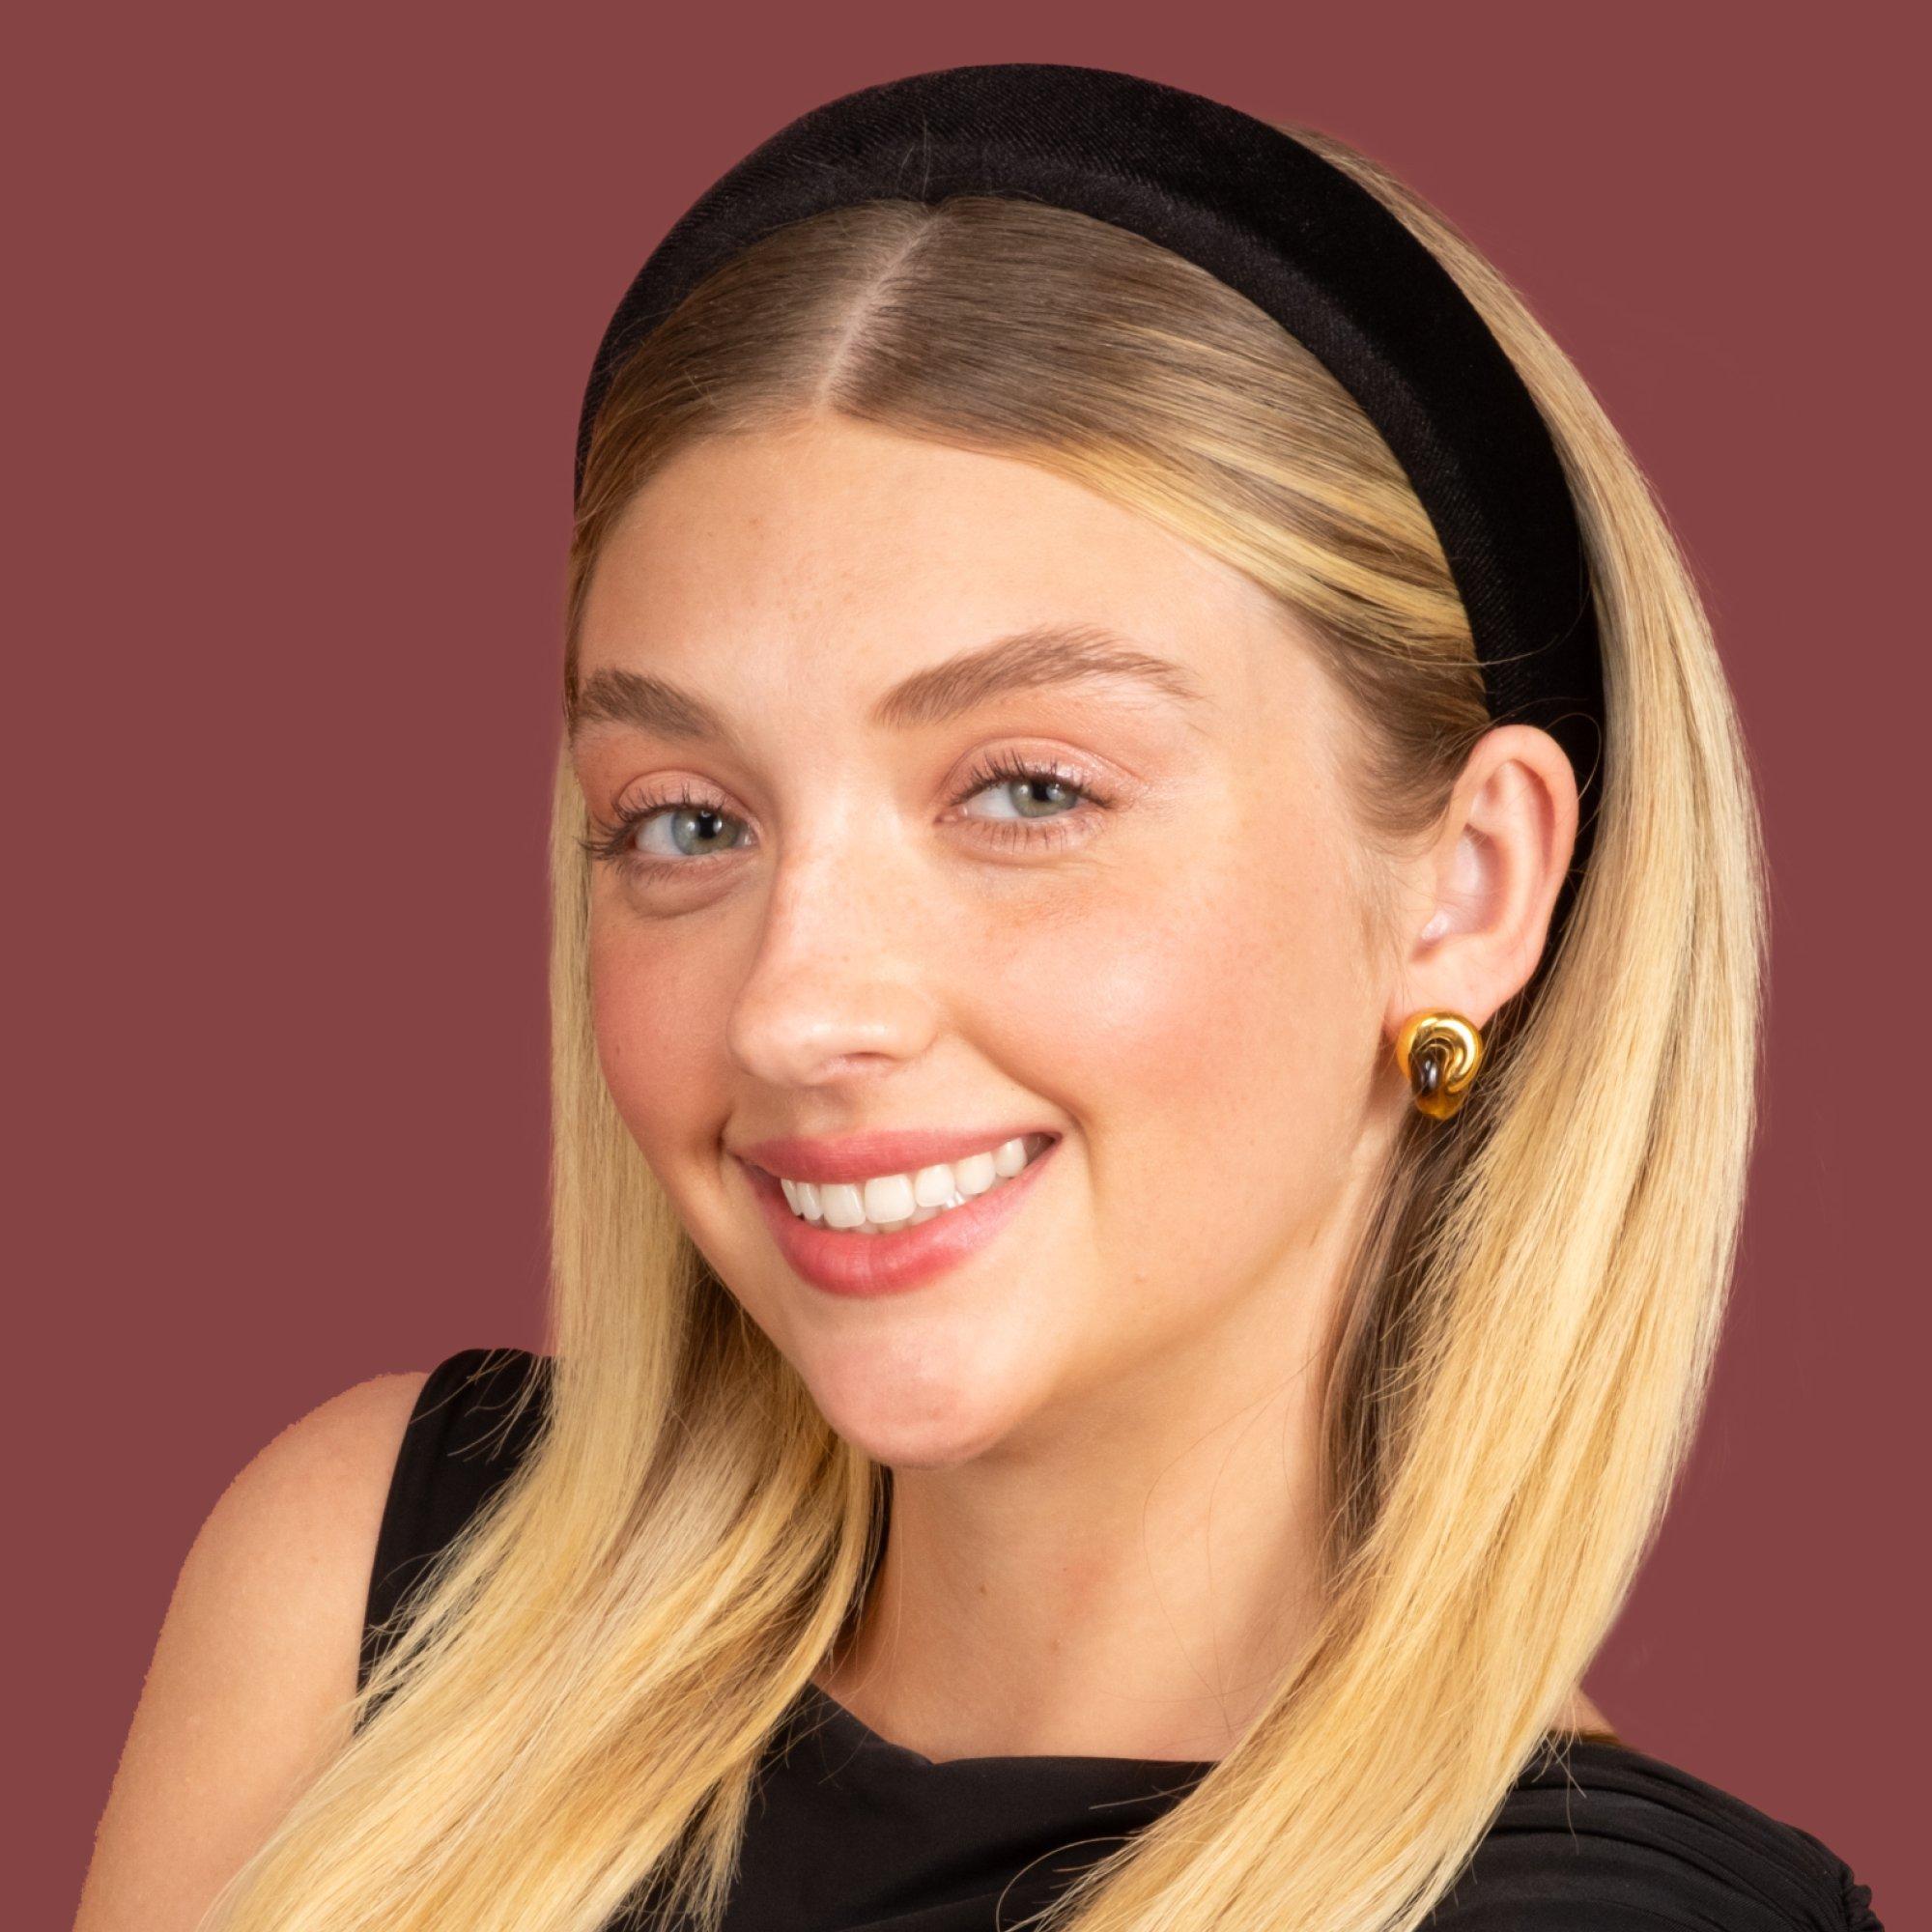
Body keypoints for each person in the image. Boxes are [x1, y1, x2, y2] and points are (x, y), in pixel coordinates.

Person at [76, 63, 1883, 1932]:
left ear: (1469, 885)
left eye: (1029, 793)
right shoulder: (373, 1615)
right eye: (690, 820)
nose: (793, 1009)